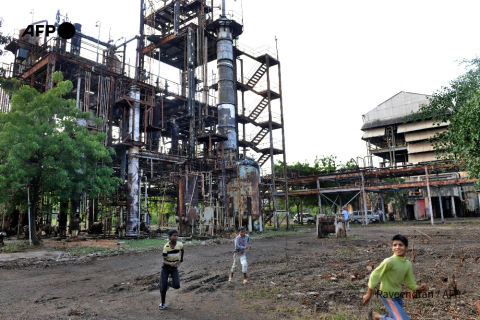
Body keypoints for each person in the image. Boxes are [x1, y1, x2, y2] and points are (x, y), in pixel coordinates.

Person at [362, 234, 427, 320]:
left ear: (406, 248)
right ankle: (378, 317)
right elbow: (375, 275)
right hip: (387, 295)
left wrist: (418, 289)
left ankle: (377, 316)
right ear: (392, 248)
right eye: (395, 245)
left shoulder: (407, 264)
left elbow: (410, 282)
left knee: (395, 317)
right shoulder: (389, 261)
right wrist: (369, 293)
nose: (397, 247)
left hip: (397, 295)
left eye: (401, 245)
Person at [159, 229, 184, 310]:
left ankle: (168, 284)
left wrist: (181, 260)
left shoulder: (179, 244)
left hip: (174, 268)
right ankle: (162, 303)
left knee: (177, 285)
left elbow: (182, 250)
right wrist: (170, 263)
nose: (176, 237)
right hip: (166, 267)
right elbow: (163, 260)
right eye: (174, 235)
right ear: (170, 237)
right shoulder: (166, 247)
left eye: (177, 235)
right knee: (163, 288)